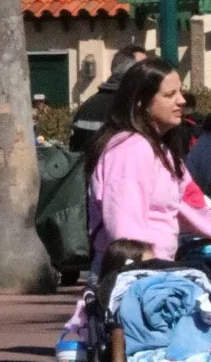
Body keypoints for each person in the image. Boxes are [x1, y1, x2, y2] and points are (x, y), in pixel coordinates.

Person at [86, 58, 211, 270]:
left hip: (161, 271)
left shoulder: (162, 152)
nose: (182, 101)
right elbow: (126, 231)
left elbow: (196, 205)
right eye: (170, 95)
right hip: (137, 276)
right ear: (141, 102)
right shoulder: (130, 149)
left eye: (180, 92)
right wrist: (145, 275)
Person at [70, 44, 146, 155]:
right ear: (132, 73)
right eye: (145, 68)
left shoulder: (86, 107)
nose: (149, 72)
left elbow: (75, 150)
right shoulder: (132, 108)